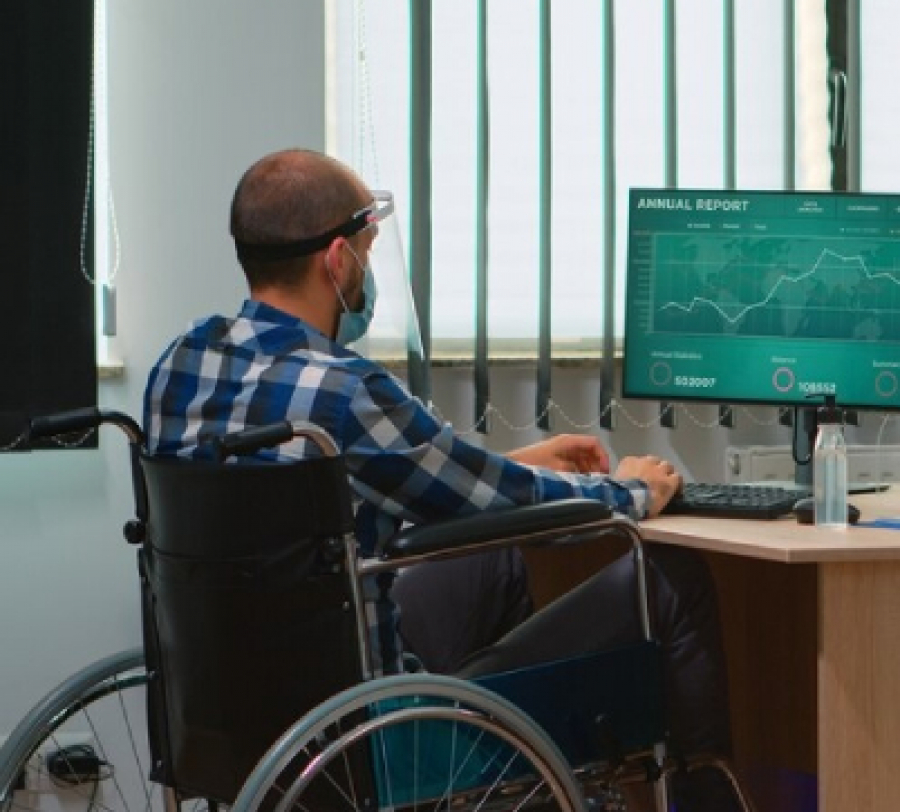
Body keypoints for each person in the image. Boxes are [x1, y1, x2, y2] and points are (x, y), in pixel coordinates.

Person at [144, 148, 737, 810]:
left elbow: (436, 479)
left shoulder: (184, 363)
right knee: (671, 579)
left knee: (502, 561)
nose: (367, 273)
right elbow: (522, 509)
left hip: (231, 711)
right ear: (337, 261)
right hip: (363, 727)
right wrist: (634, 490)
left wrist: (517, 463)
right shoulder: (345, 393)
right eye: (367, 253)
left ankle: (508, 787)